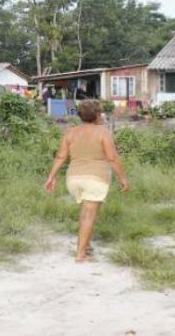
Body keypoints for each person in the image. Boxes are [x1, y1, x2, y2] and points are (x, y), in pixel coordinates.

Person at [44, 99, 129, 262]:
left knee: (86, 213)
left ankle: (86, 246)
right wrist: (123, 178)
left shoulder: (70, 132)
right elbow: (112, 157)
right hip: (96, 179)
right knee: (89, 215)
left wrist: (51, 177)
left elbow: (61, 156)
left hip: (73, 179)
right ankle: (80, 254)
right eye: (100, 113)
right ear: (97, 115)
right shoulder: (103, 132)